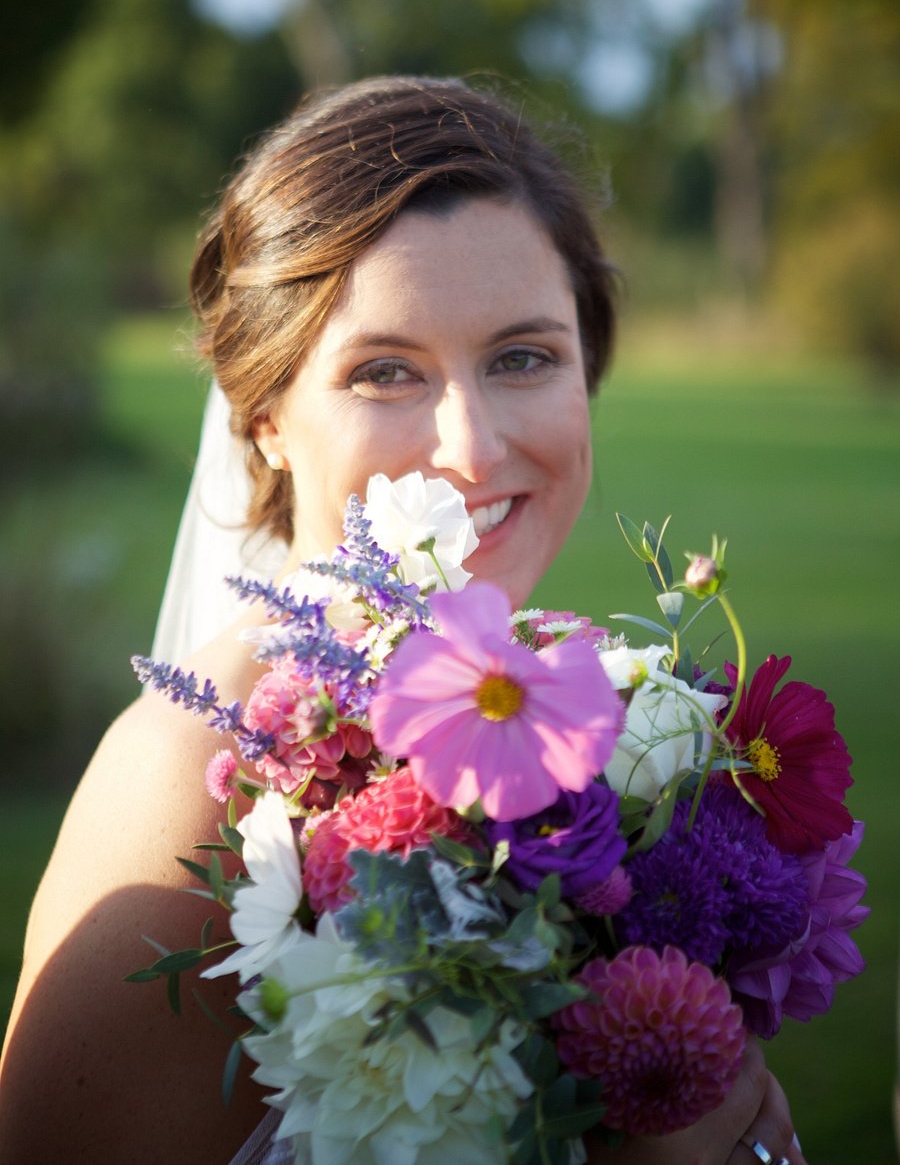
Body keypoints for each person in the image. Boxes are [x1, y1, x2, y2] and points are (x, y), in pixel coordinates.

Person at [0, 76, 804, 1165]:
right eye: (386, 372)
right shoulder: (186, 782)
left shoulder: (611, 733)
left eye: (523, 357)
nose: (470, 449)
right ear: (267, 418)